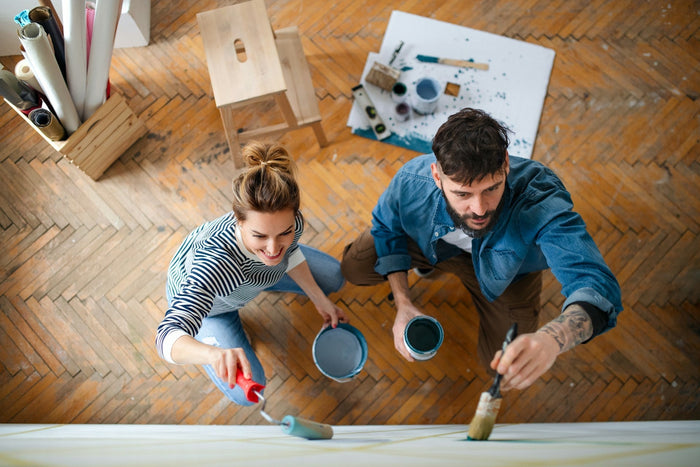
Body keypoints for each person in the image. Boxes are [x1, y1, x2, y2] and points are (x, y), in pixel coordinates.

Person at [341, 108, 622, 391]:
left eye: (491, 188)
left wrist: (553, 337)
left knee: (503, 364)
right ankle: (429, 263)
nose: (479, 210)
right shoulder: (412, 181)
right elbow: (387, 228)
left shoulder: (539, 197)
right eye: (462, 194)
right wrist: (402, 301)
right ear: (437, 176)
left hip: (510, 275)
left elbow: (595, 284)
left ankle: (434, 267)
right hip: (434, 246)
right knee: (354, 266)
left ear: (506, 165)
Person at [156, 141, 346, 405]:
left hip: (252, 280)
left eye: (285, 233)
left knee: (335, 277)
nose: (272, 249)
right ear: (238, 220)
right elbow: (166, 337)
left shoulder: (291, 224)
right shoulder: (213, 265)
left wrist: (318, 297)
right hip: (216, 306)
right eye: (259, 235)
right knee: (248, 393)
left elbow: (288, 254)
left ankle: (268, 279)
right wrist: (212, 354)